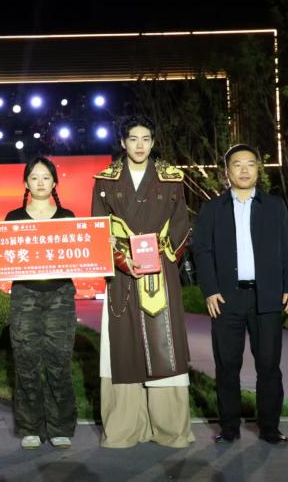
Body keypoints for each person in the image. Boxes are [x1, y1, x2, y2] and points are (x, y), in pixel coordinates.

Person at [90, 117, 194, 448]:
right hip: (121, 275)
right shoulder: (105, 180)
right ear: (122, 142)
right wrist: (123, 259)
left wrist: (161, 255)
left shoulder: (171, 178)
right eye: (133, 139)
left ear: (153, 142)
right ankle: (125, 427)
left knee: (166, 344)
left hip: (160, 271)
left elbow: (181, 225)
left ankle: (170, 428)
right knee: (122, 347)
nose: (139, 145)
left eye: (146, 139)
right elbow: (97, 229)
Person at [192, 143, 288, 445]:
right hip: (227, 299)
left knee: (268, 365)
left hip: (267, 297)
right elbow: (202, 252)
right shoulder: (213, 209)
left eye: (250, 164)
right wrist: (210, 290)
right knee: (227, 366)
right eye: (237, 164)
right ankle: (229, 428)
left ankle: (269, 428)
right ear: (227, 172)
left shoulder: (274, 206)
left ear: (258, 170)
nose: (244, 170)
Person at [5, 156, 78, 450]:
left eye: (46, 177)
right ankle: (30, 427)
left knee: (59, 362)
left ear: (54, 182)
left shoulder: (68, 217)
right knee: (26, 363)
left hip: (61, 296)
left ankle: (60, 427)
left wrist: (101, 244)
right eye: (34, 177)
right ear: (26, 183)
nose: (40, 182)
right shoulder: (13, 218)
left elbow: (81, 253)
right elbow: (1, 256)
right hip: (25, 296)